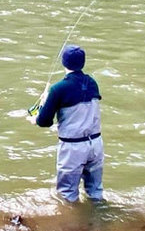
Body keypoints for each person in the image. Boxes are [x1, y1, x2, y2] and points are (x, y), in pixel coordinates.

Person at [35, 45, 104, 202]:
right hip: (96, 144)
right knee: (95, 192)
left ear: (64, 62)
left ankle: (72, 225)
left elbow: (44, 121)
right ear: (83, 62)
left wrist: (36, 118)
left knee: (68, 195)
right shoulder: (92, 83)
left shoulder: (58, 89)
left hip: (73, 148)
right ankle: (98, 222)